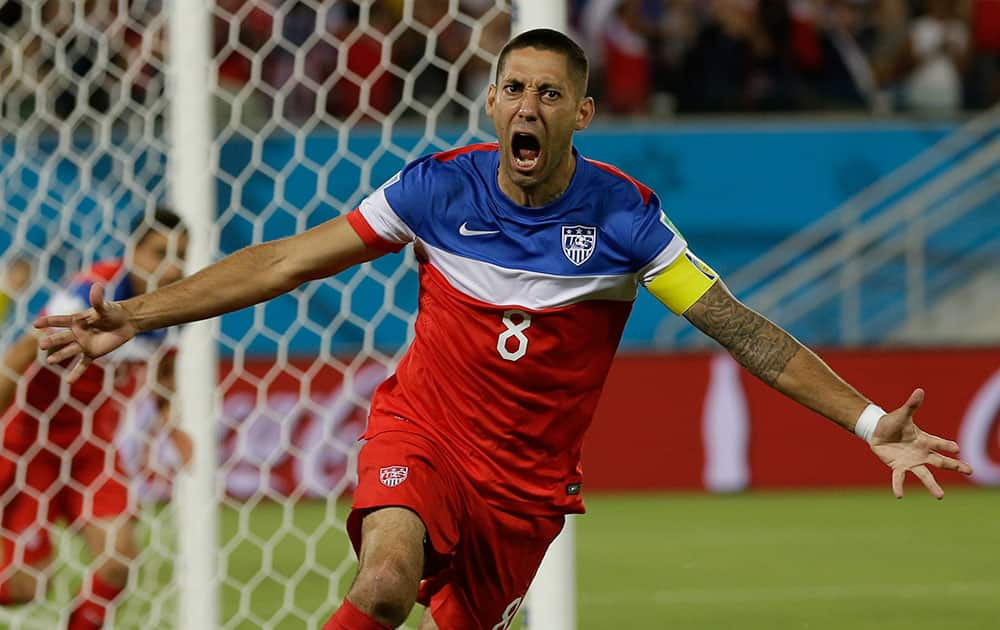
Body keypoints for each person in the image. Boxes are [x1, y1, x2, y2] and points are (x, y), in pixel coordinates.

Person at [35, 29, 973, 630]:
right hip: (423, 434)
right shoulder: (438, 187)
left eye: (549, 94)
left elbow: (743, 330)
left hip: (524, 489)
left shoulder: (626, 220)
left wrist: (866, 422)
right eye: (513, 89)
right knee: (385, 581)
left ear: (582, 114)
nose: (528, 106)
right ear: (492, 103)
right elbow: (284, 261)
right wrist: (134, 314)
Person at [1, 208, 192, 630]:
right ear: (134, 252)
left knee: (118, 562)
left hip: (93, 451)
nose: (171, 265)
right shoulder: (90, 293)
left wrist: (170, 422)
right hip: (31, 441)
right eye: (160, 252)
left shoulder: (175, 306)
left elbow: (164, 371)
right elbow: (18, 356)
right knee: (24, 589)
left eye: (180, 254)